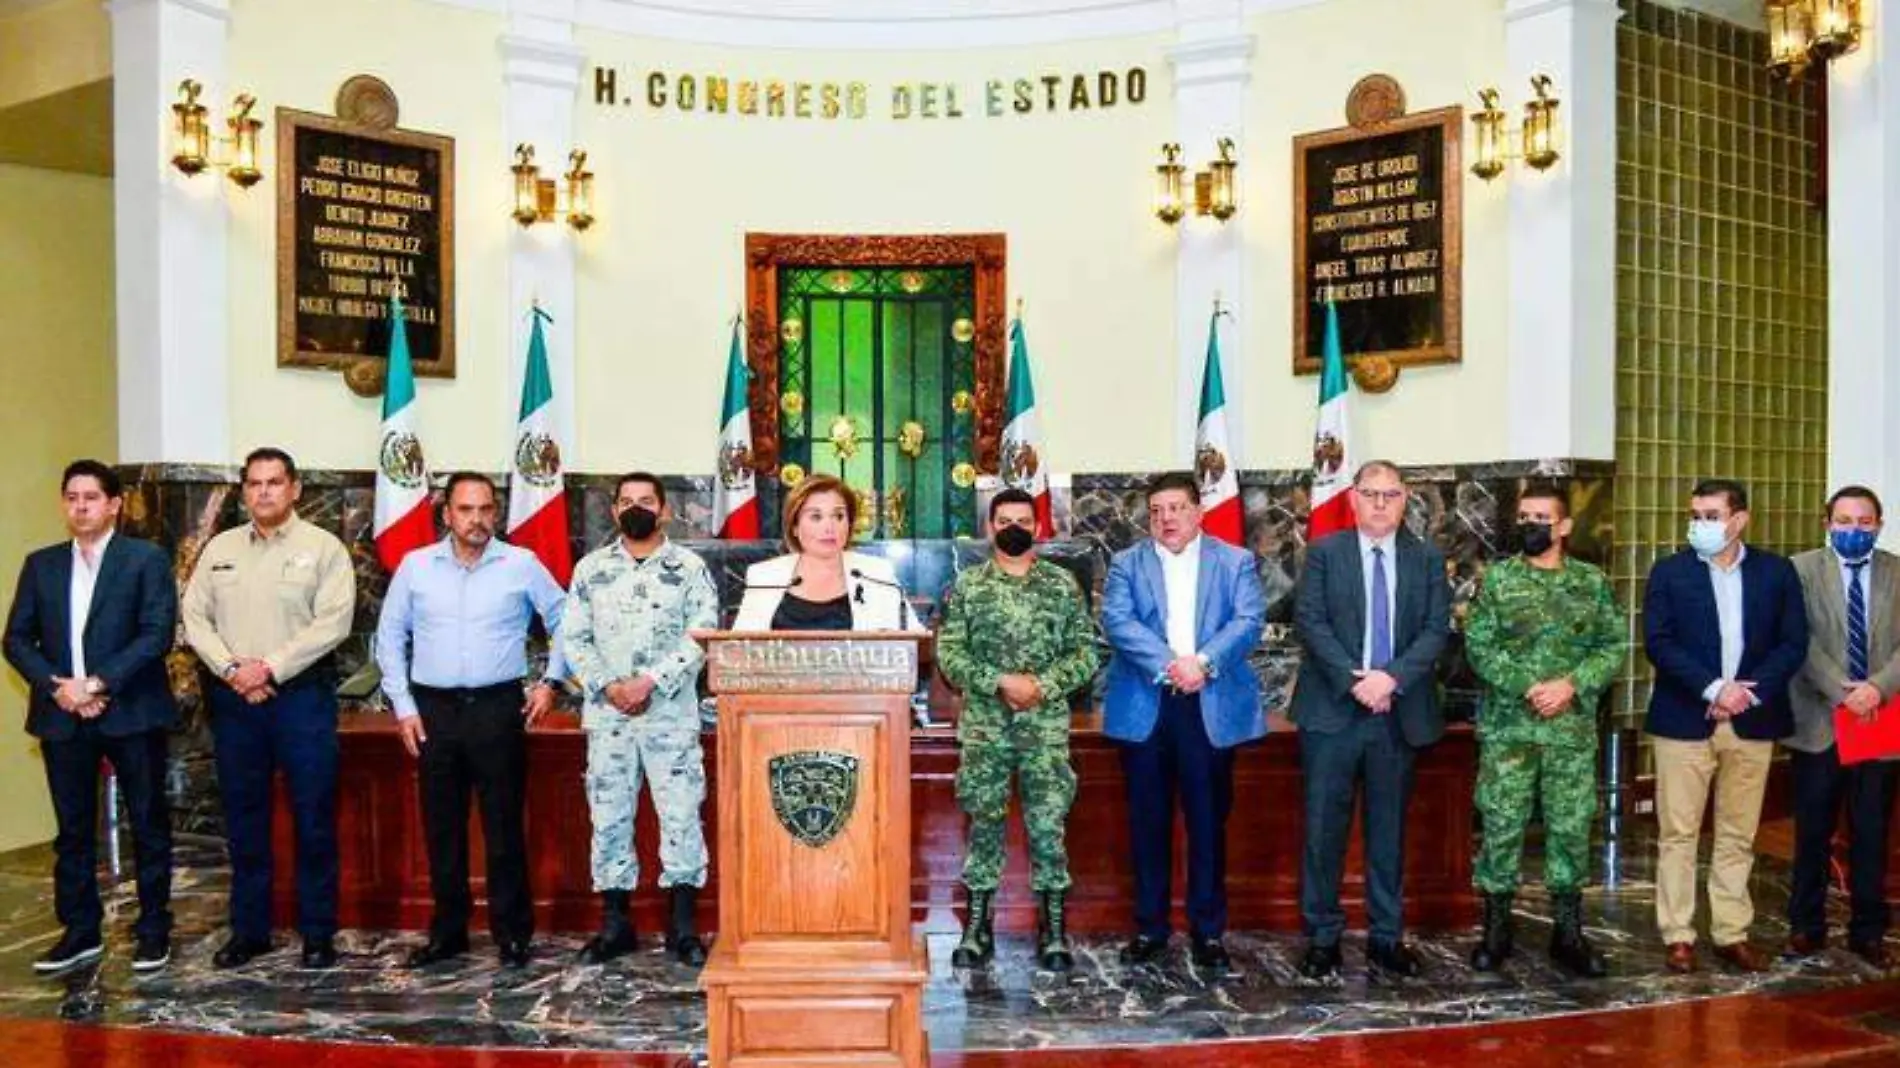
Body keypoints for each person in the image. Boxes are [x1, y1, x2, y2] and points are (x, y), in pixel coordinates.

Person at [374, 472, 567, 970]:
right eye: (465, 509)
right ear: (447, 514)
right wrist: (404, 707)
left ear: (496, 514)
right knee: (442, 827)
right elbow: (390, 636)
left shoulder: (520, 564)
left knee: (503, 826)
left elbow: (565, 617)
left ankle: (512, 935)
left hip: (498, 708)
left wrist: (552, 681)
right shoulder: (417, 567)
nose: (476, 520)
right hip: (433, 712)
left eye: (485, 509)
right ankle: (448, 933)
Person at [182, 447, 355, 970]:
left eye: (274, 483)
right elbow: (194, 616)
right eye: (254, 484)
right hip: (236, 703)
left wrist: (270, 668)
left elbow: (333, 623)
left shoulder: (324, 548)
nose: (263, 492)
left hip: (300, 699)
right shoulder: (219, 548)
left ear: (295, 488)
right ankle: (249, 931)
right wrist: (234, 670)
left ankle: (318, 934)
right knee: (244, 820)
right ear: (243, 491)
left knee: (313, 820)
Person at [4, 460, 178, 974]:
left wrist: (97, 683)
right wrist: (60, 689)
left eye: (91, 497)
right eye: (72, 497)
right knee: (73, 831)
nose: (80, 506)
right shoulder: (42, 565)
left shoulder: (144, 560)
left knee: (148, 824)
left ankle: (152, 930)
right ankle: (80, 932)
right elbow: (15, 638)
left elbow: (155, 634)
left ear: (114, 504)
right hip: (63, 716)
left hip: (132, 711)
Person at [1291, 459, 1451, 981]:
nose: (1381, 504)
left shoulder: (1426, 558)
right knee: (1322, 831)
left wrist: (1390, 679)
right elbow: (1309, 621)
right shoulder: (1324, 553)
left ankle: (1387, 937)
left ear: (1406, 500)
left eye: (1391, 494)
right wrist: (1355, 680)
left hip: (1397, 714)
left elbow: (1434, 629)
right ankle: (1322, 937)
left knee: (1388, 832)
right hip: (1333, 711)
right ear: (1353, 499)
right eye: (1371, 494)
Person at [1101, 471, 1266, 970]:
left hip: (1208, 706)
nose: (1165, 518)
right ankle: (1150, 928)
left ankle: (1208, 933)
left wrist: (1203, 664)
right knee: (1147, 823)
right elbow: (1118, 621)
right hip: (1147, 706)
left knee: (1207, 823)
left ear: (1197, 511)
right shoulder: (1126, 564)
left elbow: (1248, 621)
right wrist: (1170, 665)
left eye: (1175, 508)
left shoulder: (1234, 562)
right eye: (1156, 511)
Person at [1643, 478, 1808, 974]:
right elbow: (1660, 642)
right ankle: (1678, 934)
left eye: (1711, 515)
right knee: (1679, 832)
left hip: (1752, 720)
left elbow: (1792, 643)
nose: (1700, 525)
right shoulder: (1670, 573)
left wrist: (1744, 693)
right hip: (1683, 719)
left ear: (1740, 519)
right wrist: (1715, 689)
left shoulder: (1776, 573)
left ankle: (1731, 932)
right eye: (1695, 515)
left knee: (1738, 833)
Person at [1462, 482, 1623, 977]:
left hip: (1570, 732)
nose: (1530, 525)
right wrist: (1532, 686)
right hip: (1510, 730)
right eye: (1524, 517)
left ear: (1565, 527)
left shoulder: (1591, 583)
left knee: (1571, 829)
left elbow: (1612, 645)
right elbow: (1480, 646)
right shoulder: (1498, 580)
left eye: (1541, 518)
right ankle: (1496, 929)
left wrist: (1571, 686)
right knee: (1502, 825)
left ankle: (1568, 932)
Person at [936, 488, 1100, 972]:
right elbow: (950, 655)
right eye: (1003, 520)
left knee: (1048, 829)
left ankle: (1053, 931)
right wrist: (999, 682)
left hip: (1044, 731)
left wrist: (1043, 685)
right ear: (989, 529)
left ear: (1037, 527)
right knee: (983, 826)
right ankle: (977, 928)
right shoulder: (968, 586)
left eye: (1022, 520)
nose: (1013, 528)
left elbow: (1086, 653)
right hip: (986, 729)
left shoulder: (1061, 585)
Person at [563, 472, 719, 965]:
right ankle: (615, 925)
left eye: (646, 501)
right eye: (626, 501)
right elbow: (575, 640)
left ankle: (683, 928)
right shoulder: (590, 570)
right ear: (613, 512)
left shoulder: (690, 568)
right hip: (609, 718)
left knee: (680, 817)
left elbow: (702, 633)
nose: (636, 508)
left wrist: (647, 682)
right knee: (608, 818)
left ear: (664, 510)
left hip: (669, 715)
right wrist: (611, 687)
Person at [1786, 485, 1900, 967]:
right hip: (1818, 718)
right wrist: (1843, 691)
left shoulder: (1897, 571)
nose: (1854, 529)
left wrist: (1877, 688)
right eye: (1845, 521)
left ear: (1879, 524)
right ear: (1827, 523)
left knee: (1872, 829)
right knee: (1812, 829)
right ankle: (1807, 926)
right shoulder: (1800, 570)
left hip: (1880, 717)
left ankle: (1868, 930)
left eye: (1864, 521)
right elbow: (1798, 640)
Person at [732, 474, 921, 632]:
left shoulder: (876, 573)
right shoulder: (765, 577)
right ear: (795, 526)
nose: (829, 527)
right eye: (816, 517)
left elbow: (915, 638)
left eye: (838, 516)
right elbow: (736, 648)